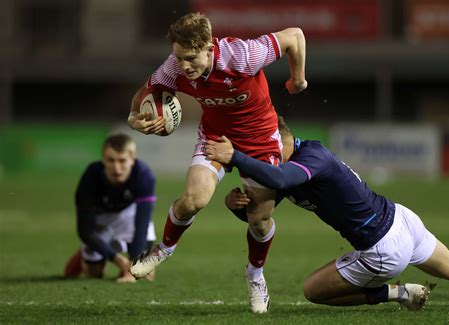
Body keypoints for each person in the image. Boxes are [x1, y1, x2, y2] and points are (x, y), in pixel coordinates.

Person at [126, 12, 306, 313]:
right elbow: (150, 89)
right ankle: (163, 250)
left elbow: (295, 35)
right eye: (179, 57)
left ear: (210, 48)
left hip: (260, 141)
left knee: (259, 221)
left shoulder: (243, 56)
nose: (184, 66)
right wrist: (134, 119)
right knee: (192, 200)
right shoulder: (175, 66)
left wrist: (297, 78)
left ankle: (255, 274)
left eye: (191, 58)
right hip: (215, 136)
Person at [205, 116, 449, 310]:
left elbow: (281, 180)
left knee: (313, 290)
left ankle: (400, 293)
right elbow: (262, 214)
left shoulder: (312, 156)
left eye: (260, 149)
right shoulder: (285, 169)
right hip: (400, 220)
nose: (258, 156)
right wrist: (236, 207)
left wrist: (236, 157)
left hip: (382, 246)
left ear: (274, 140)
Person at [64, 133, 157, 283]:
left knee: (146, 275)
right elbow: (85, 231)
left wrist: (134, 266)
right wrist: (118, 260)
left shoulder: (144, 176)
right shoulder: (91, 177)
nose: (117, 168)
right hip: (101, 220)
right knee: (92, 274)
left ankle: (111, 247)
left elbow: (142, 224)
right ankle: (87, 254)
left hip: (130, 216)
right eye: (111, 160)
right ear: (103, 159)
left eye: (122, 161)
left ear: (132, 159)